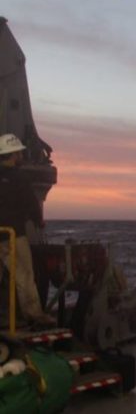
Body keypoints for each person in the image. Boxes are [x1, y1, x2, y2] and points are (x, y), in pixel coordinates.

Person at [0, 133, 54, 327]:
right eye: (19, 153)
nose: (21, 156)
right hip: (14, 235)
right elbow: (31, 204)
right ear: (13, 154)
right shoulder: (20, 178)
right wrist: (38, 221)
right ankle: (33, 313)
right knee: (24, 274)